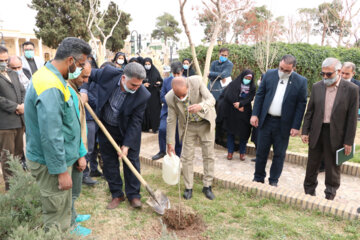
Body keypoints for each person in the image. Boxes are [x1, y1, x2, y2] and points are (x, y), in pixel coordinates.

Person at [24, 37, 91, 234]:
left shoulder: (53, 77)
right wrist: (61, 171)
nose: (80, 70)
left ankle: (67, 229)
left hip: (60, 158)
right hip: (50, 163)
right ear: (70, 60)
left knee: (63, 206)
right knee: (55, 216)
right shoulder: (50, 85)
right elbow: (51, 134)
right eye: (80, 65)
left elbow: (66, 123)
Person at [87, 62, 150, 209]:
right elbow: (88, 75)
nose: (136, 88)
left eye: (139, 85)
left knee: (132, 162)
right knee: (109, 162)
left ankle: (133, 195)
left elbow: (136, 122)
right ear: (123, 78)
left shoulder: (143, 95)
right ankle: (117, 194)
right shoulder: (107, 73)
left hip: (128, 130)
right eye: (133, 85)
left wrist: (126, 145)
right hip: (106, 127)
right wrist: (84, 91)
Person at [301, 58, 359, 200]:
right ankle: (309, 191)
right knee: (312, 164)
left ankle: (330, 194)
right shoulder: (316, 86)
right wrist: (305, 131)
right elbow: (310, 111)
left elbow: (352, 119)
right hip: (317, 131)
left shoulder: (352, 90)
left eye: (329, 74)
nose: (325, 77)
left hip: (336, 134)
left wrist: (348, 141)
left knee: (333, 166)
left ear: (338, 72)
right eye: (323, 74)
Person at [250, 55, 307, 187]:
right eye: (280, 68)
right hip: (266, 120)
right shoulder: (269, 74)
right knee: (261, 152)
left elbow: (301, 105)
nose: (282, 72)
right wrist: (255, 114)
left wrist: (296, 126)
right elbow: (260, 95)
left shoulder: (301, 81)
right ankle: (258, 177)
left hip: (284, 124)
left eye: (286, 70)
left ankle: (273, 180)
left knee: (279, 154)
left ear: (293, 68)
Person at [166, 76, 216, 200]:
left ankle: (207, 186)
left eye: (184, 95)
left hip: (205, 122)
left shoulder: (196, 82)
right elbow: (171, 121)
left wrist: (201, 105)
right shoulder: (169, 98)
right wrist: (170, 143)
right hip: (188, 126)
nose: (181, 98)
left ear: (188, 87)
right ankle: (188, 187)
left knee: (208, 155)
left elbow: (211, 99)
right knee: (186, 157)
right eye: (179, 96)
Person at [67, 61, 92, 234]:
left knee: (75, 189)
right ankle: (70, 226)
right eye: (84, 76)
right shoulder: (67, 93)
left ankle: (73, 215)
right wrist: (81, 154)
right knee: (69, 193)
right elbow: (72, 129)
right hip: (73, 150)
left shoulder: (74, 91)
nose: (86, 80)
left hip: (78, 148)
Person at [0, 46, 25, 191]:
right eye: (0, 60)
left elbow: (22, 90)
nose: (3, 62)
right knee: (8, 157)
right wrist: (15, 106)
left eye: (5, 60)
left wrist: (22, 104)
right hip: (5, 124)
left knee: (18, 155)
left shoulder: (12, 73)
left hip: (19, 121)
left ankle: (18, 184)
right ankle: (11, 189)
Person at [222, 70, 256, 161]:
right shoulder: (234, 84)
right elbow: (228, 95)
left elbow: (250, 97)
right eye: (246, 78)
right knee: (231, 132)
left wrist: (241, 104)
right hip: (232, 111)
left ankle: (242, 152)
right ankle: (230, 152)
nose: (247, 80)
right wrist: (236, 105)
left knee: (244, 133)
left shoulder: (252, 87)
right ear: (242, 76)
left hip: (245, 111)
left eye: (249, 78)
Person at [152, 61, 183, 160]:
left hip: (181, 113)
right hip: (167, 111)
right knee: (162, 129)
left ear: (182, 71)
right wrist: (173, 103)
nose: (176, 76)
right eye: (174, 74)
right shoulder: (166, 81)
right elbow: (162, 97)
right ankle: (162, 151)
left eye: (178, 74)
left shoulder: (187, 81)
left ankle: (178, 154)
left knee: (179, 133)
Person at [142, 58, 163, 133]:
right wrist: (143, 84)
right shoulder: (141, 72)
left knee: (155, 111)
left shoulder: (155, 71)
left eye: (149, 64)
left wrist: (159, 83)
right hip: (144, 94)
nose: (147, 66)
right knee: (145, 111)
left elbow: (161, 80)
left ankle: (155, 127)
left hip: (154, 95)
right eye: (146, 64)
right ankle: (145, 127)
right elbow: (137, 82)